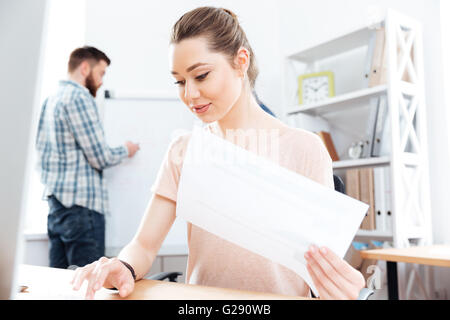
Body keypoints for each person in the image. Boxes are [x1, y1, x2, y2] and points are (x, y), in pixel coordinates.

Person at [70, 7, 365, 300]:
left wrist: (339, 288)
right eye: (180, 81)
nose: (189, 95)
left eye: (201, 76)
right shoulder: (183, 151)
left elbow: (324, 271)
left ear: (240, 62)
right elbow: (144, 246)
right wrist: (123, 265)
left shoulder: (306, 149)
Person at [36, 46, 140, 269]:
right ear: (85, 68)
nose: (101, 81)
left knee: (60, 285)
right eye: (101, 73)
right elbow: (100, 157)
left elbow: (41, 155)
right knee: (90, 284)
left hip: (57, 207)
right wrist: (126, 149)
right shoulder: (79, 97)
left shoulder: (51, 99)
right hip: (81, 209)